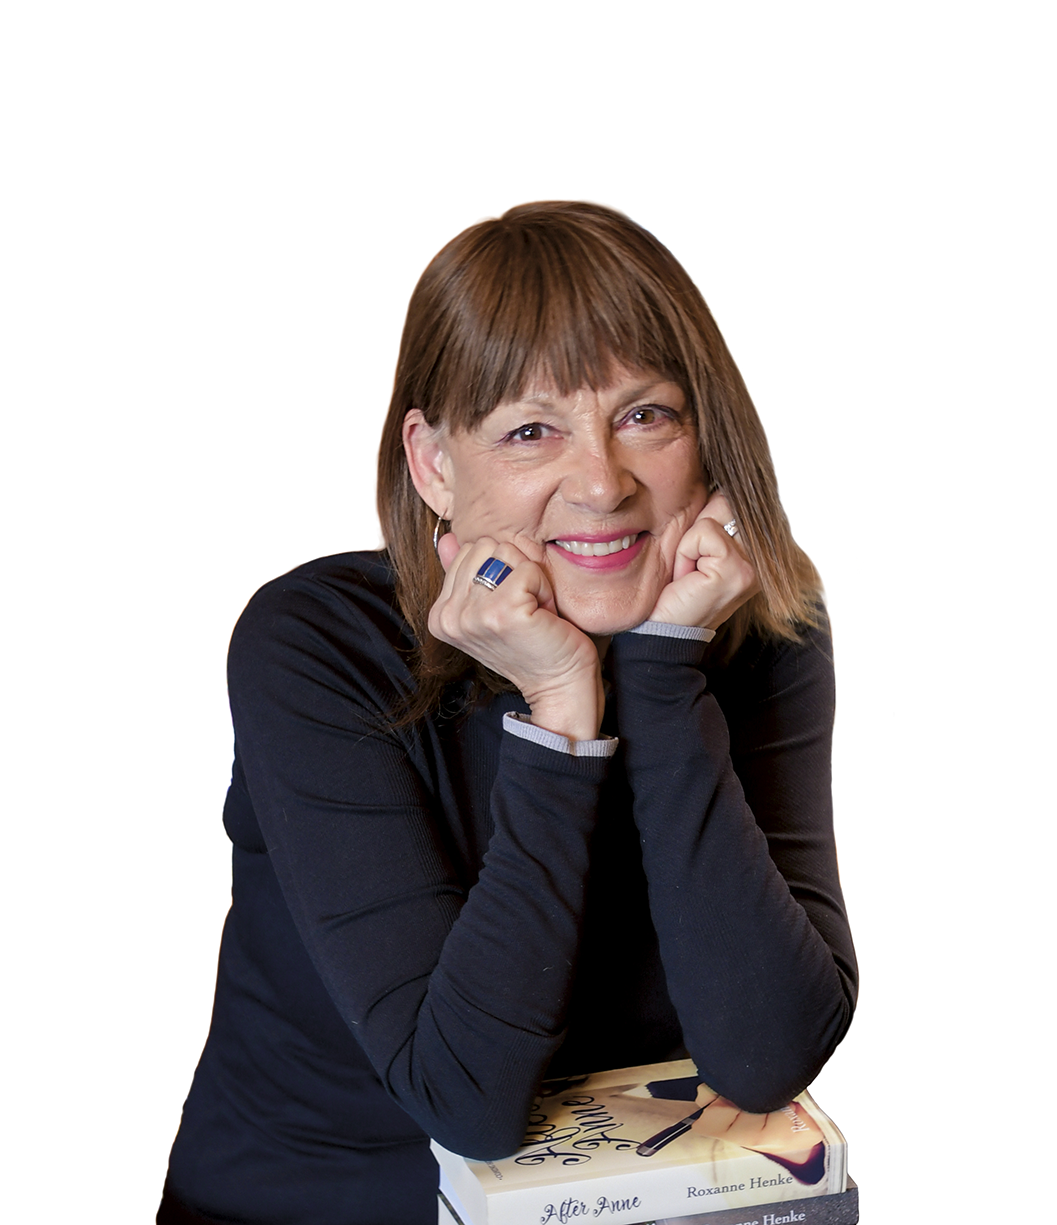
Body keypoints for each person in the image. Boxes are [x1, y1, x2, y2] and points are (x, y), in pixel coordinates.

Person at [158, 201, 857, 1225]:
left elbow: (765, 1056)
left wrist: (661, 675)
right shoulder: (316, 644)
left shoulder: (757, 633)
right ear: (434, 464)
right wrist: (560, 716)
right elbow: (464, 1098)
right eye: (531, 431)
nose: (602, 482)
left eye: (646, 416)